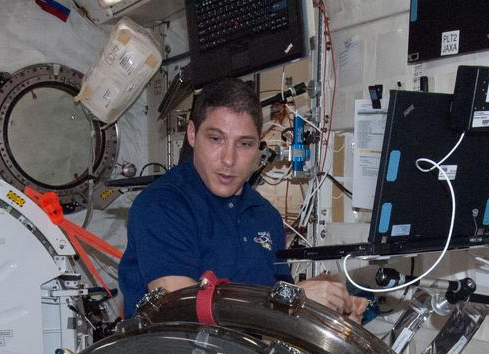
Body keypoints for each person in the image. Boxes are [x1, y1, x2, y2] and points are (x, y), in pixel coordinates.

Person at [118, 76, 367, 319]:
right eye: (216, 139)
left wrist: (331, 310)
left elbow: (281, 317)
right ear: (192, 134)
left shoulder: (265, 216)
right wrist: (289, 297)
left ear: (259, 145)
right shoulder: (162, 205)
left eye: (245, 144)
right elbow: (181, 306)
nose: (229, 159)